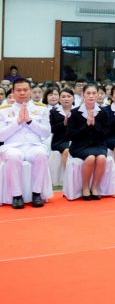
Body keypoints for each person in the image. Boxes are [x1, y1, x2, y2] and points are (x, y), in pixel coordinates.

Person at [0, 77, 52, 208]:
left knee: (41, 154)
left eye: (25, 90)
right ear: (13, 92)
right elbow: (1, 136)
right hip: (11, 147)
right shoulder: (3, 110)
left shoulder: (42, 109)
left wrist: (30, 121)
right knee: (13, 157)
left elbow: (46, 133)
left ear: (30, 91)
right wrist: (17, 122)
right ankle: (16, 196)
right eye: (19, 90)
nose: (22, 93)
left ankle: (37, 194)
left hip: (33, 146)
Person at [67, 83, 112, 200]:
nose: (91, 96)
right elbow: (70, 135)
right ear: (83, 95)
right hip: (80, 146)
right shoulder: (74, 112)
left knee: (101, 158)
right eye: (88, 93)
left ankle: (95, 187)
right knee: (90, 158)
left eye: (94, 93)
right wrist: (86, 125)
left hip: (98, 144)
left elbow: (106, 133)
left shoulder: (103, 112)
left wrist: (94, 124)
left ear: (98, 95)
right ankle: (85, 187)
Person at [50, 88, 75, 170]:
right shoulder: (53, 112)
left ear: (73, 98)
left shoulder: (78, 111)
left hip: (76, 139)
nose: (66, 99)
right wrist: (63, 123)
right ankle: (68, 174)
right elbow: (52, 129)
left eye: (69, 96)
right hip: (60, 140)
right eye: (63, 97)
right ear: (59, 99)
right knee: (67, 150)